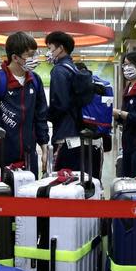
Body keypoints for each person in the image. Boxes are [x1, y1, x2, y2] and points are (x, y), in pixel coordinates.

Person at [0, 31, 48, 178]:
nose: (34, 59)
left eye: (35, 54)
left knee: (29, 198)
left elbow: (40, 117)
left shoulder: (35, 81)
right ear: (15, 57)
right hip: (0, 160)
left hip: (29, 160)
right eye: (29, 55)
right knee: (1, 200)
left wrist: (44, 150)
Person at [45, 31, 102, 176]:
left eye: (50, 48)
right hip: (77, 132)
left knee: (63, 178)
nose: (49, 52)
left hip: (64, 134)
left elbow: (60, 104)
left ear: (61, 48)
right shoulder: (74, 68)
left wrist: (44, 114)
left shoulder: (59, 71)